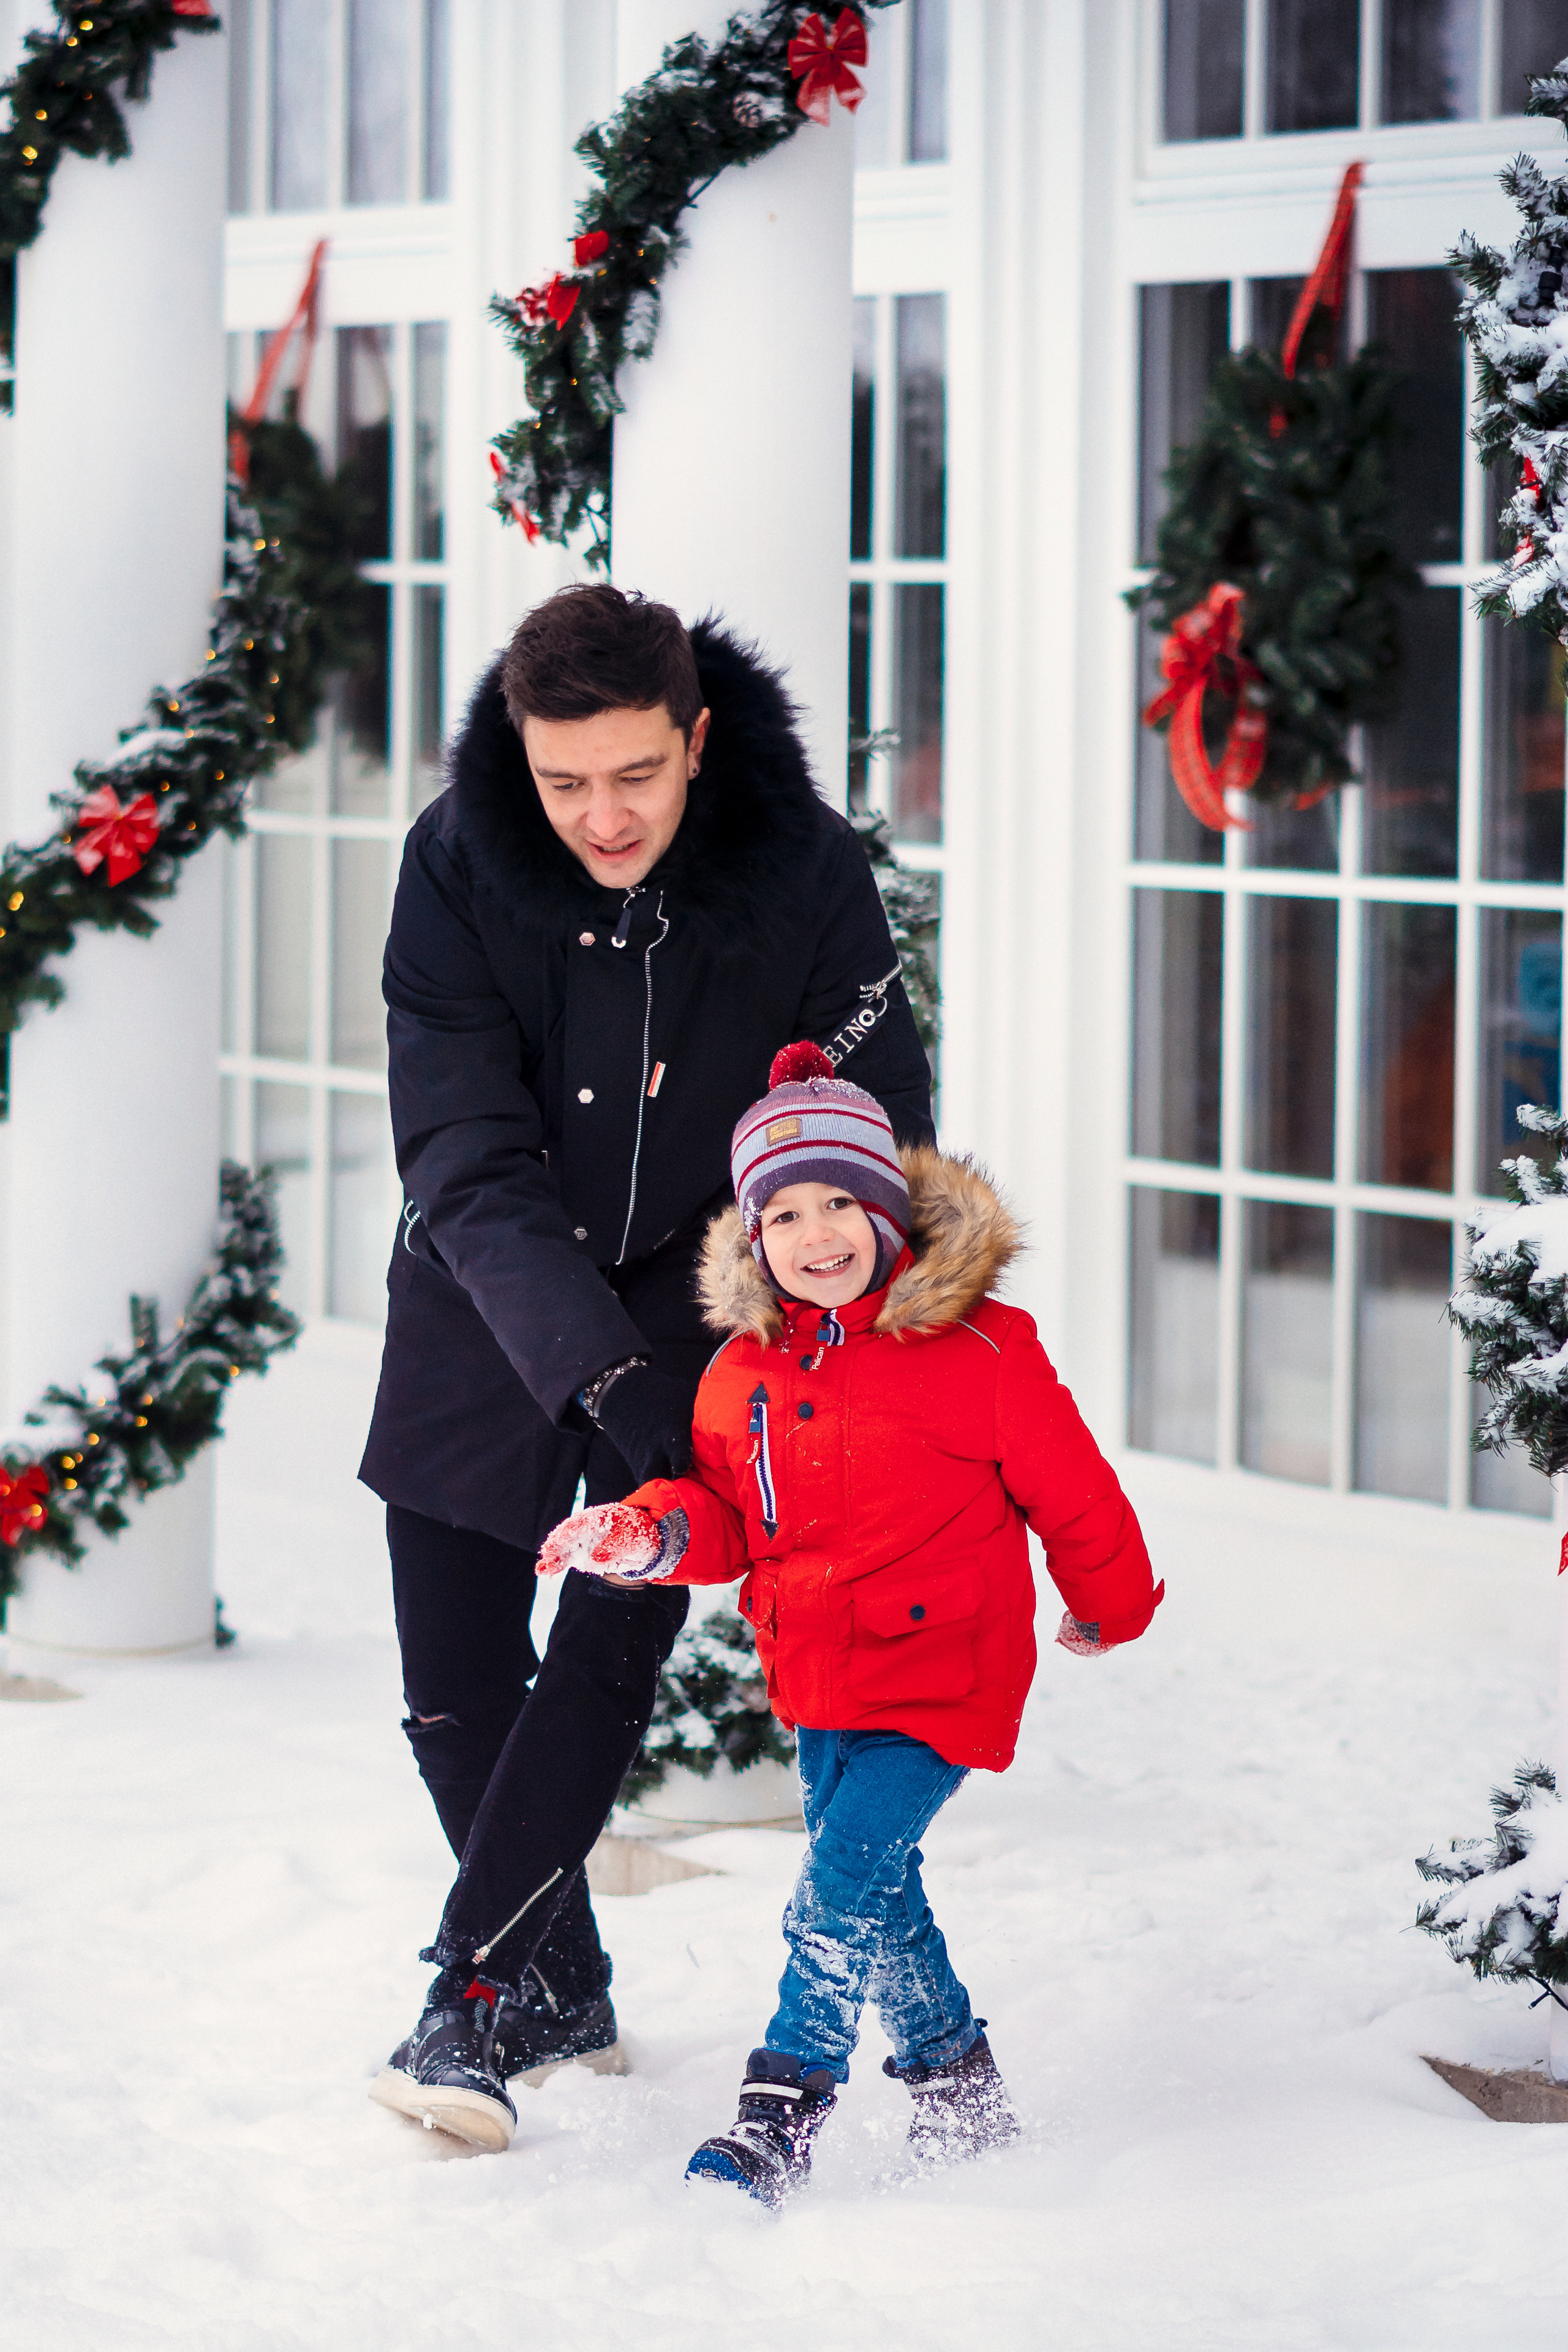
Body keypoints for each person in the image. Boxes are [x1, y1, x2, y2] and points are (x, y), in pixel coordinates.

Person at [361, 587, 934, 2153]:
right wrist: (586, 1371)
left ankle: (467, 2002)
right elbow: (464, 1153)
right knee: (453, 1676)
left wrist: (795, 1336)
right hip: (487, 1285)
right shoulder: (456, 860)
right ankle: (563, 1994)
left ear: (692, 737)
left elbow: (877, 1112)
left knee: (609, 1641)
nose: (600, 817)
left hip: (703, 1309)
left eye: (633, 774)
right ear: (519, 758)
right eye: (563, 784)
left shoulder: (803, 868)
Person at [538, 1042, 1163, 2206]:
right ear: (752, 1236)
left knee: (836, 1886)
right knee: (879, 1885)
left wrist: (1110, 1600)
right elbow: (728, 1520)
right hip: (817, 1674)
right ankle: (960, 2091)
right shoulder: (740, 1375)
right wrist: (648, 1534)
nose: (815, 1232)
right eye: (783, 1212)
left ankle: (779, 2116)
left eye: (840, 1201)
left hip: (948, 1672)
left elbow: (1073, 1491)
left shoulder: (981, 1350)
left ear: (886, 1211)